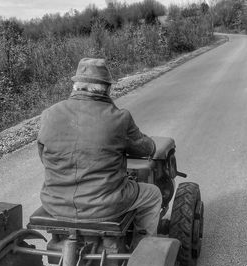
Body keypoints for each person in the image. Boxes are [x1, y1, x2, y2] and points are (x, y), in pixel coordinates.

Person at [37, 58, 162, 237]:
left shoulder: (48, 114)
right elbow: (146, 149)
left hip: (54, 203)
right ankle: (143, 247)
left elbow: (44, 157)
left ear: (75, 86)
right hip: (106, 206)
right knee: (153, 194)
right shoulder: (119, 118)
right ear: (108, 89)